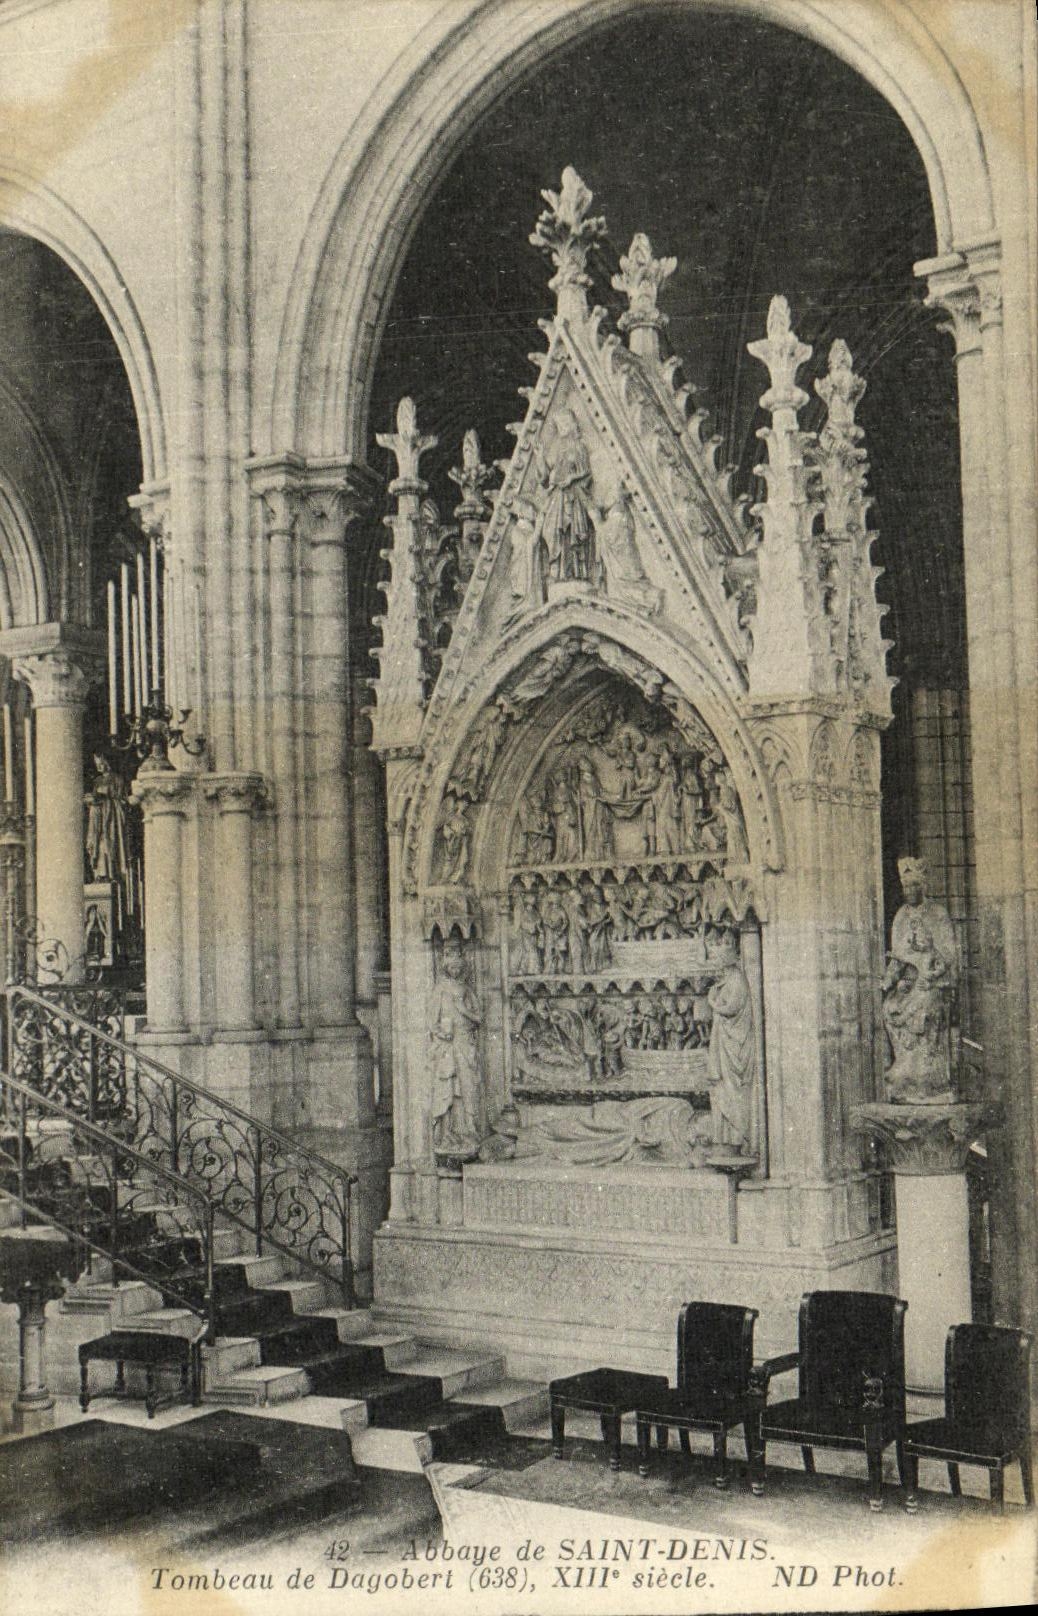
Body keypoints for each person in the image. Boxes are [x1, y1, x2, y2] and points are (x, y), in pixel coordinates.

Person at [881, 856, 960, 1100]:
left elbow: (948, 955)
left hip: (933, 982)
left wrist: (933, 976)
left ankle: (929, 1077)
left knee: (925, 1005)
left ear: (924, 886)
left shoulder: (937, 913)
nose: (910, 891)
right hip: (908, 981)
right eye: (906, 887)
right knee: (890, 1007)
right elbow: (898, 957)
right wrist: (889, 981)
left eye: (915, 885)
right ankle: (905, 1070)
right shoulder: (901, 917)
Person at [429, 938, 483, 1156]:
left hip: (466, 1043)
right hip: (448, 1047)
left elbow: (479, 1017)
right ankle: (446, 1133)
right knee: (447, 1091)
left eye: (458, 963)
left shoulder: (467, 990)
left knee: (468, 1088)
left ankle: (470, 1131)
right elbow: (432, 1023)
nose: (455, 967)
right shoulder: (440, 990)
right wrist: (443, 1033)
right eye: (451, 964)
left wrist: (463, 1009)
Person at [706, 934, 756, 1154]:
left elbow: (731, 1008)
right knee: (722, 1089)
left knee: (732, 1089)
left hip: (733, 1045)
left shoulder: (736, 979)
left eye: (717, 960)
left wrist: (711, 1002)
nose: (715, 966)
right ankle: (725, 1142)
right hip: (723, 1041)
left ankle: (737, 1140)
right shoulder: (727, 980)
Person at [537, 408, 596, 582]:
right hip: (556, 497)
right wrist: (540, 457)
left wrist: (571, 478)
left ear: (572, 424)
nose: (561, 427)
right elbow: (544, 478)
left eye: (564, 423)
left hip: (573, 497)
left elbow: (586, 473)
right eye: (558, 424)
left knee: (572, 533)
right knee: (552, 531)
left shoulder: (579, 446)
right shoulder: (556, 449)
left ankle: (574, 573)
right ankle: (557, 571)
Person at [85, 753, 129, 883]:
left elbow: (122, 801)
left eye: (102, 763)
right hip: (98, 818)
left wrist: (106, 800)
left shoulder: (117, 779)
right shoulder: (97, 781)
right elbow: (94, 797)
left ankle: (111, 874)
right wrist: (92, 801)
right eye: (97, 764)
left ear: (107, 762)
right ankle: (99, 874)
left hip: (111, 819)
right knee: (98, 845)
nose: (99, 766)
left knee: (109, 844)